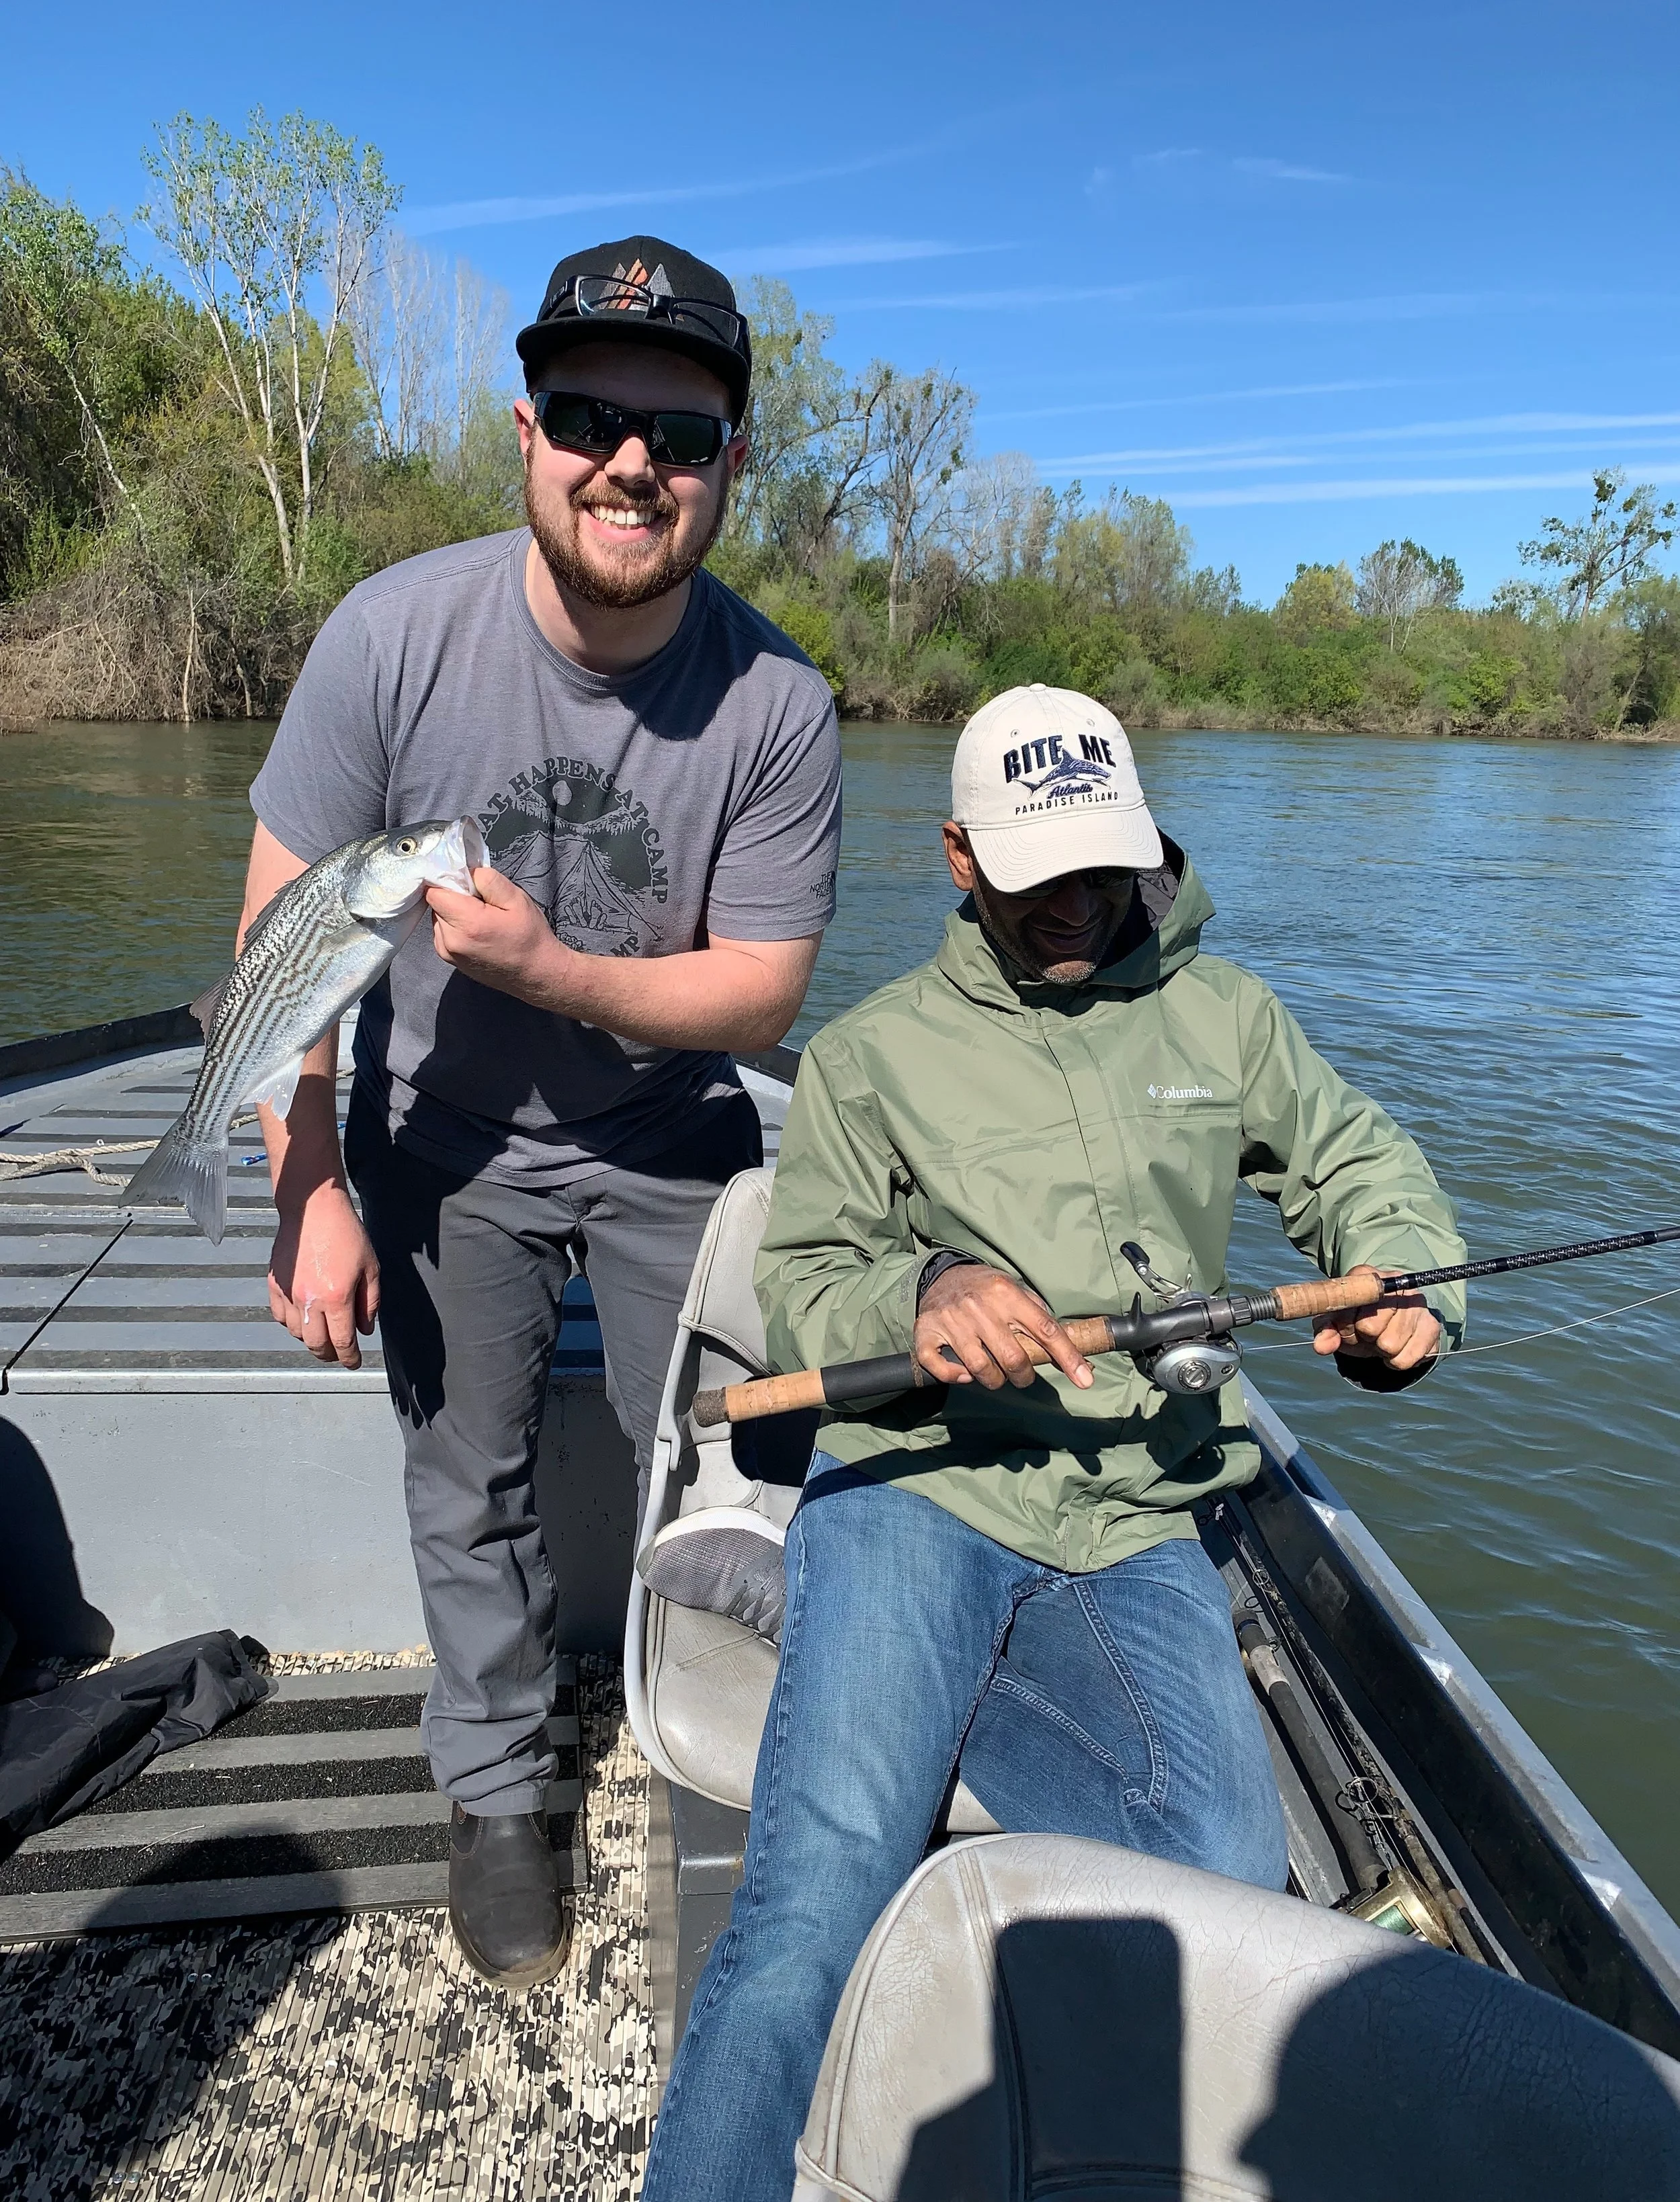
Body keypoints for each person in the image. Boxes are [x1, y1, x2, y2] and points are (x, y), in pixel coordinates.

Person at [640, 683, 1466, 2202]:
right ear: (957, 856)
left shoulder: (1224, 1014)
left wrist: (1402, 1282)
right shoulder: (871, 1054)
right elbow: (807, 1279)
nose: (1077, 904)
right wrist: (921, 1292)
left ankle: (881, 1688)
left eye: (1102, 865)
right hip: (918, 1484)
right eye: (1035, 878)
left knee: (1221, 1882)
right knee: (812, 1902)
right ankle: (824, 1602)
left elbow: (1355, 1162)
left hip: (1137, 1514)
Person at [241, 237, 841, 1988]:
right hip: (438, 1129)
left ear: (727, 464)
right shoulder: (389, 634)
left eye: (680, 432)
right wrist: (309, 1176)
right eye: (590, 415)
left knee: (746, 1458)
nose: (630, 461)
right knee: (468, 1476)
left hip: (670, 1125)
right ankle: (500, 1789)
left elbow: (759, 994)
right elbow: (282, 920)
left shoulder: (778, 701)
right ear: (528, 429)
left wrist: (553, 968)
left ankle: (723, 1747)